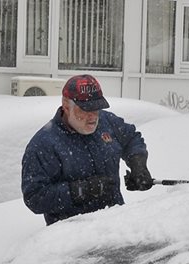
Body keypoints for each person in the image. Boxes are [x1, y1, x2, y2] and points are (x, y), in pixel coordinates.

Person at [21, 74, 153, 225]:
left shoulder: (107, 122)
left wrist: (138, 164)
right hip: (74, 238)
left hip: (117, 226)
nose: (93, 116)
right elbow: (34, 197)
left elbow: (131, 138)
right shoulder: (44, 145)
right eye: (85, 109)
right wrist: (80, 191)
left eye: (96, 108)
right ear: (66, 106)